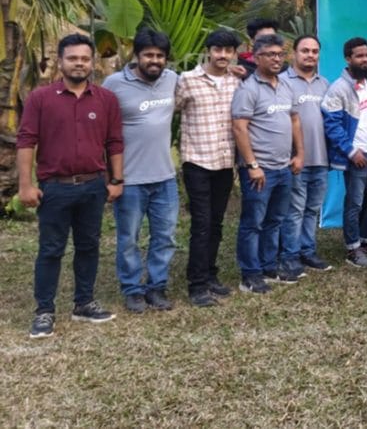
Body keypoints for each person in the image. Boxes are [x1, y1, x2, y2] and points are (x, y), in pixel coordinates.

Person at [20, 34, 123, 338]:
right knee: (51, 250)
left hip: (93, 187)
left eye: (85, 59)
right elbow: (26, 141)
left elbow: (114, 142)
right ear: (61, 61)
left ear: (93, 62)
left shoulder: (106, 99)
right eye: (73, 58)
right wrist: (25, 185)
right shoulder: (41, 98)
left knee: (89, 246)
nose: (79, 63)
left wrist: (117, 180)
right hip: (55, 188)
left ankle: (84, 303)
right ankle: (44, 311)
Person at [102, 29, 180, 314]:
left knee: (165, 237)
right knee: (128, 239)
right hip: (130, 179)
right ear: (137, 55)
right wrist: (111, 177)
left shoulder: (172, 79)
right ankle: (132, 289)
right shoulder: (114, 84)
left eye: (160, 56)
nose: (154, 60)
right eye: (148, 55)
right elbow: (102, 132)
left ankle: (156, 287)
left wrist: (234, 70)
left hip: (165, 177)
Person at [232, 33, 305, 292]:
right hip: (260, 170)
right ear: (256, 57)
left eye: (280, 54)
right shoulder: (248, 90)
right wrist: (252, 165)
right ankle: (250, 274)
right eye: (270, 54)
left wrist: (300, 154)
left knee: (275, 220)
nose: (277, 59)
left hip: (284, 167)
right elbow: (239, 128)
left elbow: (294, 120)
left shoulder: (285, 86)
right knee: (253, 223)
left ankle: (268, 266)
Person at [175, 29, 242, 308]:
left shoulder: (236, 81)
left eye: (228, 50)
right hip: (197, 161)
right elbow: (171, 109)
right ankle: (197, 285)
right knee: (201, 224)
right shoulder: (187, 80)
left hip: (225, 162)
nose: (222, 55)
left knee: (216, 222)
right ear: (208, 51)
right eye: (218, 49)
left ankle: (211, 274)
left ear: (234, 53)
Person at [322, 37, 367, 268]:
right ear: (348, 58)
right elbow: (332, 125)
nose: (365, 60)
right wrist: (351, 151)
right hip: (358, 157)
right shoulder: (338, 89)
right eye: (359, 56)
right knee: (355, 203)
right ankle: (353, 248)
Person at [282, 35, 332, 273]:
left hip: (321, 158)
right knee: (294, 210)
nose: (310, 55)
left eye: (314, 51)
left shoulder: (325, 84)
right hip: (295, 159)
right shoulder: (283, 82)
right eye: (305, 50)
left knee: (312, 209)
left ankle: (307, 251)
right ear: (294, 53)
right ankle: (290, 255)